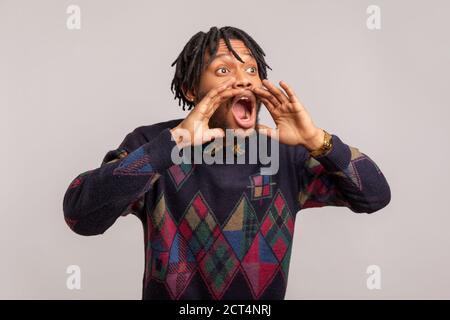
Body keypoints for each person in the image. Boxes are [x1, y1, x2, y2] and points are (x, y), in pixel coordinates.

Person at [62, 26, 391, 300]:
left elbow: (375, 196)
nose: (244, 79)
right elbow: (81, 215)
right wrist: (170, 144)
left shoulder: (289, 155)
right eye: (223, 70)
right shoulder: (153, 145)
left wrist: (319, 141)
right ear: (192, 90)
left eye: (251, 69)